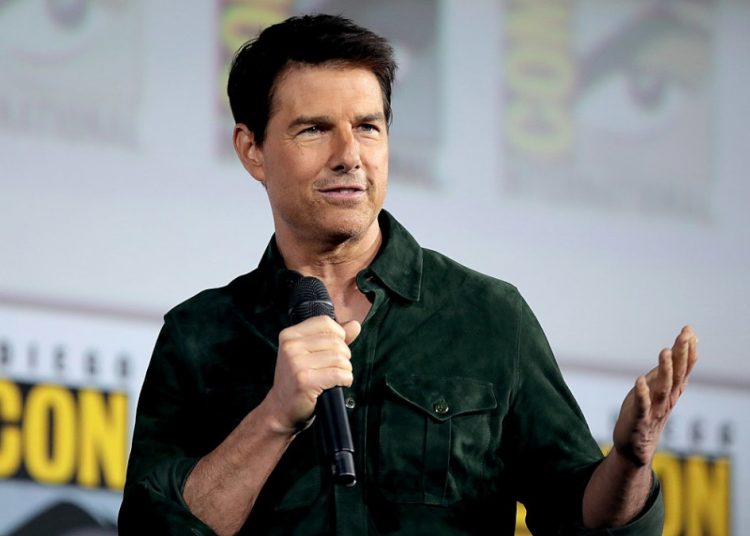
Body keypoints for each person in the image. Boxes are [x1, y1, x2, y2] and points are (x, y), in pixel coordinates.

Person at [118, 13, 699, 535]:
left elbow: (581, 516)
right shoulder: (199, 334)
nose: (350, 155)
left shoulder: (488, 317)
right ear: (252, 150)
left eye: (368, 127)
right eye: (315, 129)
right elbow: (153, 527)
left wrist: (630, 460)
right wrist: (273, 418)